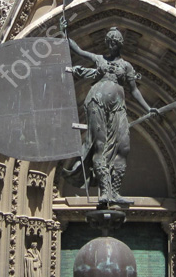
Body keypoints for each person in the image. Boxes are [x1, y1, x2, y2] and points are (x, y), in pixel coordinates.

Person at [61, 23, 158, 205]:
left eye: (115, 42)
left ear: (120, 44)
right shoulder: (99, 59)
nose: (112, 45)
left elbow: (134, 90)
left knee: (123, 147)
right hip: (96, 103)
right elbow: (79, 51)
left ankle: (115, 191)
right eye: (110, 42)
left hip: (118, 107)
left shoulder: (126, 66)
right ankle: (105, 192)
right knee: (100, 146)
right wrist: (65, 33)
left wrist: (148, 108)